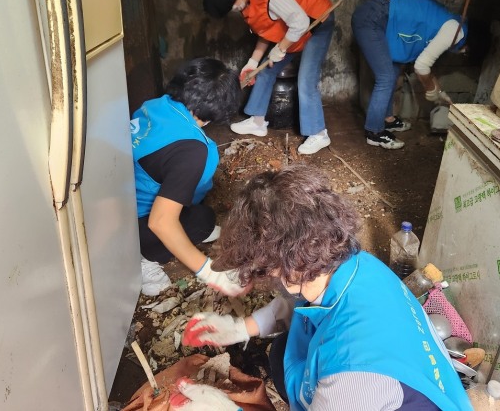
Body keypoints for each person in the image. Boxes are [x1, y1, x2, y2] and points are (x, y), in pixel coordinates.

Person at [181, 164, 473, 411]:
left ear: (287, 265)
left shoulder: (351, 379)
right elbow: (301, 305)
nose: (267, 274)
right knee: (283, 349)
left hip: (369, 387)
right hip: (391, 374)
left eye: (267, 268)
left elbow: (348, 380)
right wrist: (240, 328)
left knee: (286, 355)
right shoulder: (355, 263)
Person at [130, 57, 248, 297]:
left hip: (105, 208)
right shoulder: (193, 149)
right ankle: (141, 260)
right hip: (130, 230)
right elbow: (161, 221)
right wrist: (210, 274)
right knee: (201, 219)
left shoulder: (154, 105)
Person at [203, 0, 335, 155]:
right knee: (266, 71)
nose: (232, 8)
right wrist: (253, 62)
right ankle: (257, 122)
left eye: (231, 4)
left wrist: (280, 49)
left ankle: (319, 133)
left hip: (317, 21)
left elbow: (300, 22)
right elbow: (266, 30)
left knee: (306, 80)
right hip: (294, 28)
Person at [351, 0, 468, 150]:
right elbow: (422, 66)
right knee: (385, 78)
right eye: (465, 51)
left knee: (391, 73)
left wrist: (434, 88)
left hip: (381, 13)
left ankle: (387, 120)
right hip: (375, 15)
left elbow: (427, 64)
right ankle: (374, 132)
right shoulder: (456, 30)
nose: (462, 52)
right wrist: (432, 89)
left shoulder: (453, 23)